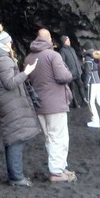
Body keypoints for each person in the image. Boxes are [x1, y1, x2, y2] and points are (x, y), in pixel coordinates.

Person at [0, 23, 41, 186]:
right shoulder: (4, 61)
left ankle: (14, 175)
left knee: (12, 137)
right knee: (17, 138)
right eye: (9, 42)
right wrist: (26, 72)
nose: (11, 44)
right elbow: (10, 83)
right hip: (12, 102)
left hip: (7, 102)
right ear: (4, 43)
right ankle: (17, 177)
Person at [25, 28, 76, 182]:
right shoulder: (54, 55)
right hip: (55, 104)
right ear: (49, 40)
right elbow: (63, 76)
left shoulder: (28, 58)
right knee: (59, 137)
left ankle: (60, 167)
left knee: (49, 137)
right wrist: (69, 72)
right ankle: (57, 172)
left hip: (39, 104)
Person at [82, 46, 100, 128]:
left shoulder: (88, 58)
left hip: (92, 81)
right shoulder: (96, 55)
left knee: (91, 102)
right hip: (98, 80)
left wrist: (86, 84)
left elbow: (88, 72)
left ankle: (96, 121)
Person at [59, 36, 87, 108]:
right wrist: (68, 71)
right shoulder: (62, 51)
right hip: (71, 73)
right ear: (63, 41)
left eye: (69, 40)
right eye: (67, 40)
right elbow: (63, 62)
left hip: (77, 71)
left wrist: (79, 68)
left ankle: (84, 100)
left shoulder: (72, 49)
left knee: (81, 85)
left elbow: (76, 60)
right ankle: (75, 103)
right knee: (72, 88)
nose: (69, 41)